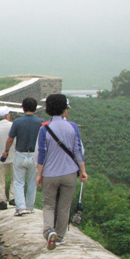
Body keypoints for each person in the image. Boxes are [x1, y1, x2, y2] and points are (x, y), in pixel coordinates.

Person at [36, 94, 88, 250]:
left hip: (50, 174)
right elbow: (78, 151)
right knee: (64, 206)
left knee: (49, 205)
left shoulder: (44, 129)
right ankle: (59, 236)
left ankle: (48, 231)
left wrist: (39, 174)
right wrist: (83, 171)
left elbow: (42, 154)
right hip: (69, 173)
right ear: (65, 108)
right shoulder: (73, 127)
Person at [1, 97, 43, 217]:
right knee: (32, 182)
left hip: (20, 154)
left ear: (23, 108)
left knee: (18, 182)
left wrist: (6, 151)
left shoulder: (18, 122)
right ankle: (30, 206)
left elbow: (10, 139)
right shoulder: (41, 122)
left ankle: (20, 207)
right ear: (35, 108)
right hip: (35, 155)